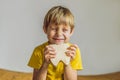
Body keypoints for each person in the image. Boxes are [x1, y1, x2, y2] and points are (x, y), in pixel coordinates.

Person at [28, 5, 83, 80]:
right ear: (45, 29)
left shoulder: (73, 51)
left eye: (64, 30)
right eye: (54, 28)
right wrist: (45, 64)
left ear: (71, 31)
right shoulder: (39, 51)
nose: (59, 34)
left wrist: (67, 63)